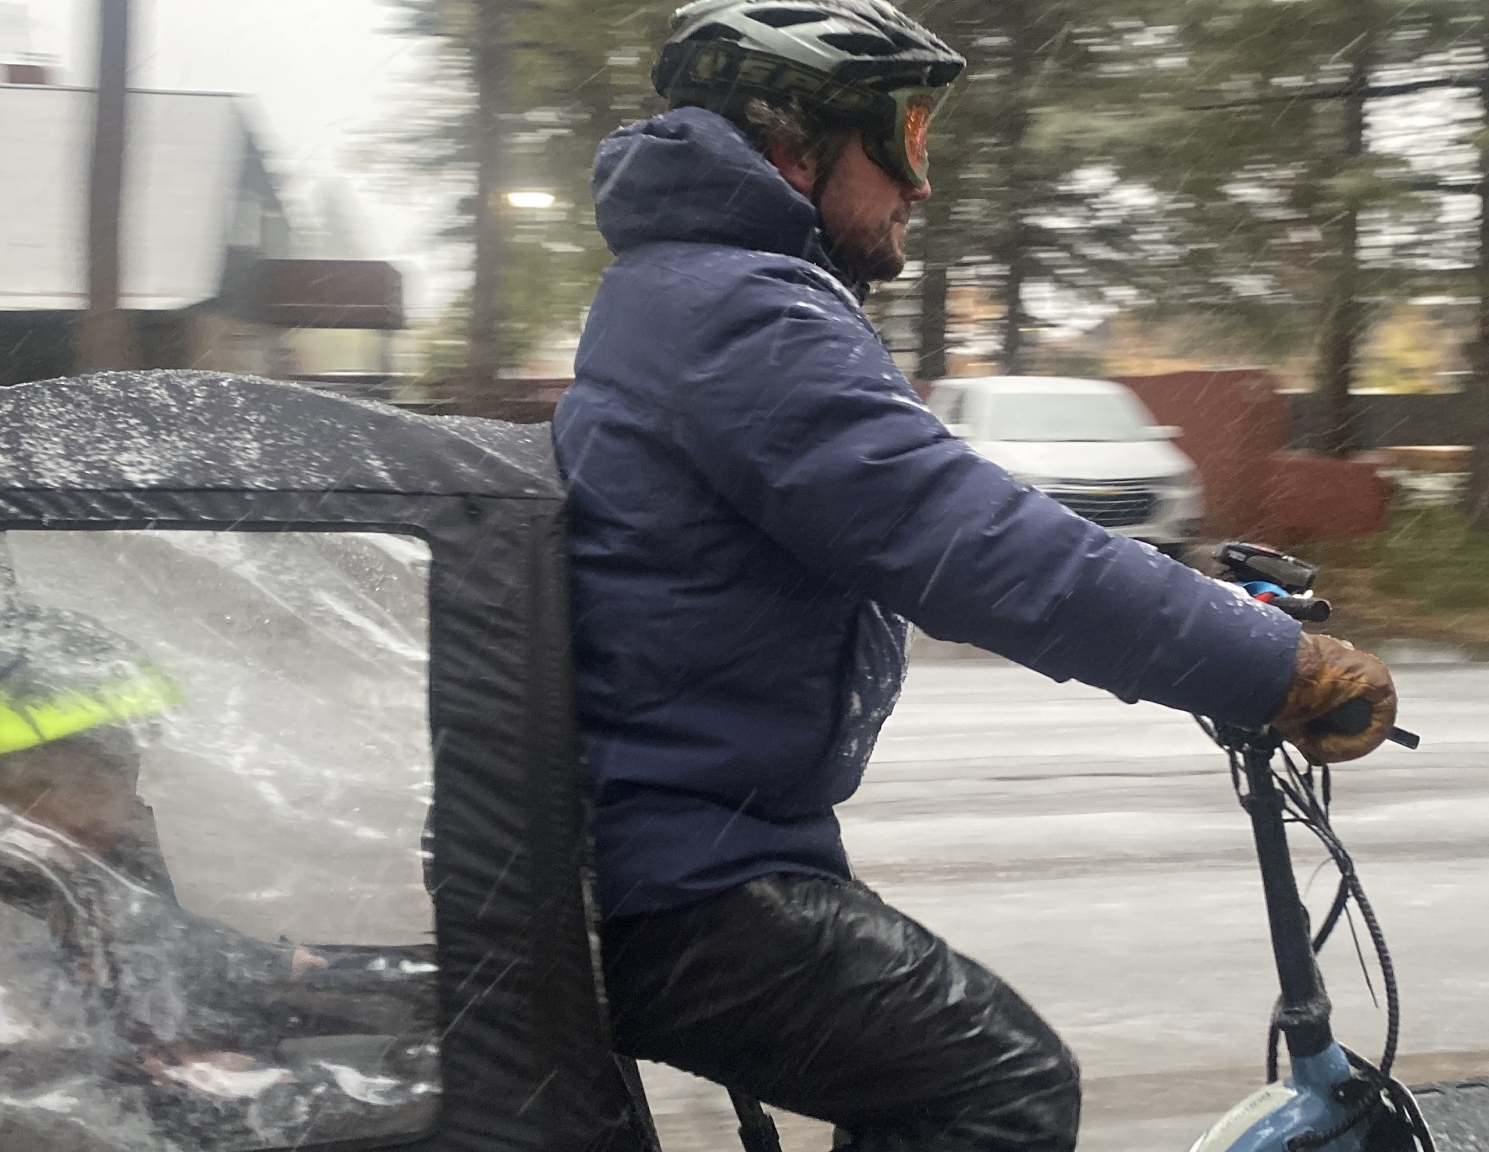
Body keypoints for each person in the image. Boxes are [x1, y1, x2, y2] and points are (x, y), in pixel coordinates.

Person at [552, 3, 1399, 1150]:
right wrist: (1273, 667)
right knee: (994, 1089)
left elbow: (958, 510)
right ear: (793, 142)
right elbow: (970, 544)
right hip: (675, 875)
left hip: (684, 840)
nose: (922, 182)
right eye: (903, 134)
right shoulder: (739, 311)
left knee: (914, 1075)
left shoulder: (706, 295)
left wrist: (1211, 613)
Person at [0, 545, 431, 1152]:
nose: (109, 807)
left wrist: (285, 963)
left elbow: (162, 950)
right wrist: (217, 1090)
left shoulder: (77, 877)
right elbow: (16, 1110)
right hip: (134, 1122)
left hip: (178, 1077)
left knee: (431, 1041)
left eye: (116, 774)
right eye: (52, 784)